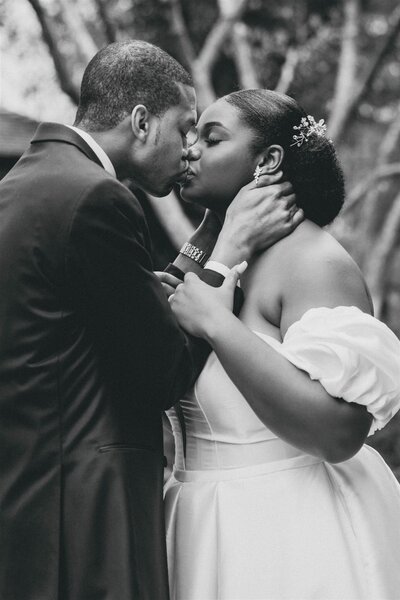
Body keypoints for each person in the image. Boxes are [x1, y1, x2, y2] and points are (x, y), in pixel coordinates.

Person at [0, 45, 302, 600]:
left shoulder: (28, 185)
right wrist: (226, 251)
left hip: (30, 502)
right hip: (86, 514)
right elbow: (161, 373)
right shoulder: (97, 197)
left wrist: (187, 263)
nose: (191, 149)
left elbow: (87, 322)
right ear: (141, 121)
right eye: (187, 128)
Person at [164, 89, 400, 599]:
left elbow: (340, 434)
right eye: (192, 134)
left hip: (290, 536)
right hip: (200, 526)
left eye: (213, 136)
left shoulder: (313, 263)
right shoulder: (220, 257)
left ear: (268, 160)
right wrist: (213, 235)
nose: (191, 148)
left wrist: (220, 326)